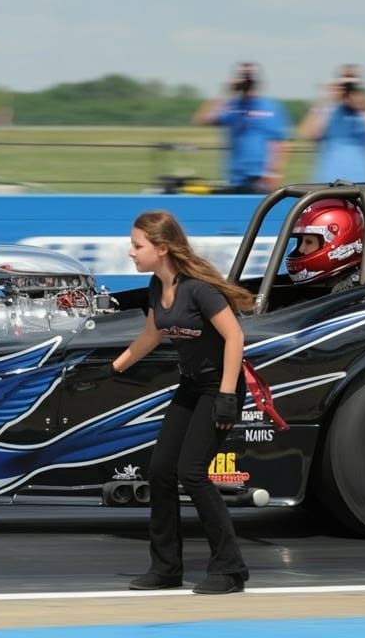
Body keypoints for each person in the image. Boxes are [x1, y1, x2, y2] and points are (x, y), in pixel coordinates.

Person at [111, 210, 254, 595]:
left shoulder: (199, 290)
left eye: (137, 245)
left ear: (161, 248)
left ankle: (230, 569)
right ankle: (166, 568)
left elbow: (235, 338)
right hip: (191, 387)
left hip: (218, 389)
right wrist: (117, 366)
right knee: (160, 470)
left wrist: (226, 395)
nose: (131, 252)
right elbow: (153, 334)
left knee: (192, 473)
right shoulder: (158, 288)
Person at [192, 62, 289, 193]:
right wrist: (226, 92)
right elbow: (203, 119)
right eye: (244, 78)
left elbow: (279, 143)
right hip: (235, 176)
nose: (247, 83)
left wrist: (274, 172)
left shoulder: (271, 107)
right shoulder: (231, 106)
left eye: (250, 79)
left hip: (261, 177)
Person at [296, 65, 365, 183]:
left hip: (364, 182)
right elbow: (309, 134)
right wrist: (326, 100)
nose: (349, 90)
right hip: (328, 181)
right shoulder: (327, 110)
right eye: (345, 85)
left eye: (353, 86)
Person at [284, 198, 365, 293]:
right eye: (300, 241)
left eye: (309, 242)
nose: (301, 249)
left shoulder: (351, 297)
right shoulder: (324, 288)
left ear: (338, 243)